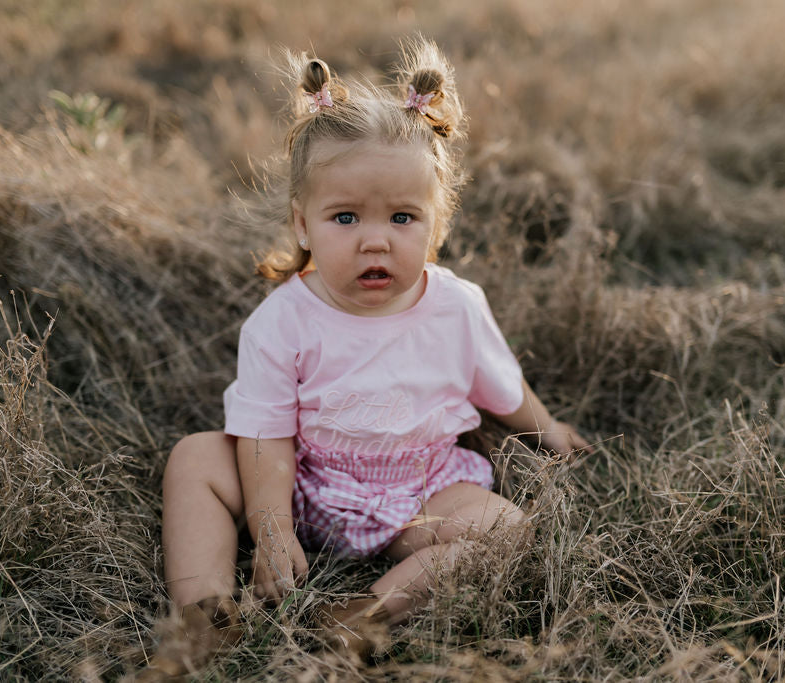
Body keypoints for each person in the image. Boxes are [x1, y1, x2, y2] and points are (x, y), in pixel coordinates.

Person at [139, 39, 587, 679]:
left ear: (436, 226)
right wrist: (270, 527)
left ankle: (369, 611)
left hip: (420, 493)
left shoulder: (456, 307)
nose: (374, 238)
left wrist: (549, 432)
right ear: (303, 225)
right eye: (345, 217)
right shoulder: (283, 320)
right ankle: (203, 613)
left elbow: (502, 385)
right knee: (196, 459)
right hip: (307, 486)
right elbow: (264, 434)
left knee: (506, 527)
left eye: (402, 217)